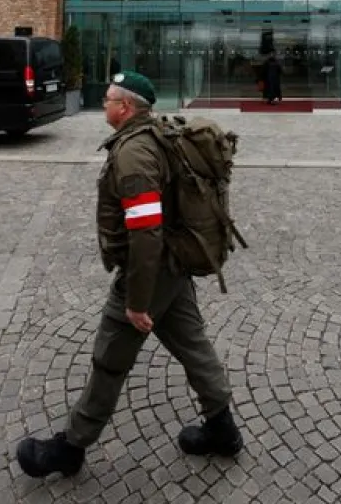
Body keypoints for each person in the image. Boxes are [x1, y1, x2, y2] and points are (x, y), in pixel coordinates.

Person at [16, 71, 241, 478]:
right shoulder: (152, 136)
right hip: (172, 269)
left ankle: (70, 447)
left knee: (110, 358)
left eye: (107, 100)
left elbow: (146, 233)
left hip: (151, 274)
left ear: (125, 107)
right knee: (193, 346)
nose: (103, 105)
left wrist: (136, 302)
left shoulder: (135, 153)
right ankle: (222, 429)